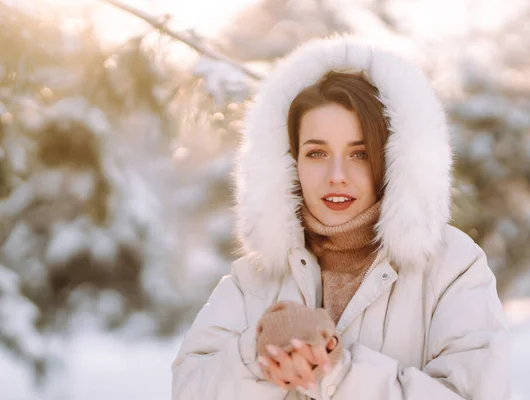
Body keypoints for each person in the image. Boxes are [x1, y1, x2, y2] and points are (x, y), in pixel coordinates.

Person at [171, 35, 510, 400]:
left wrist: (334, 371)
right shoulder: (252, 279)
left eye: (360, 154)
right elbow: (189, 390)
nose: (337, 175)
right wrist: (256, 354)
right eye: (316, 154)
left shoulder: (454, 267)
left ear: (395, 160)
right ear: (289, 162)